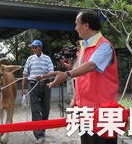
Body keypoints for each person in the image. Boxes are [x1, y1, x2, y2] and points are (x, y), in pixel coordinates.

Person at [41, 9, 119, 144]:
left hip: (103, 112)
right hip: (86, 112)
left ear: (86, 26)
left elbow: (91, 66)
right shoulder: (84, 47)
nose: (75, 28)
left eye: (77, 24)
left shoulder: (104, 46)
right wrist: (75, 101)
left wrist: (66, 74)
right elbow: (81, 76)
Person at [22, 39, 54, 144]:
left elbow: (51, 71)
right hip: (33, 86)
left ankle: (42, 130)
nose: (34, 49)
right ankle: (38, 135)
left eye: (35, 47)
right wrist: (24, 89)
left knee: (46, 109)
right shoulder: (30, 59)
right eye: (32, 47)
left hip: (45, 85)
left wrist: (44, 76)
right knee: (35, 110)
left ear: (40, 47)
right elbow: (25, 74)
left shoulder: (47, 58)